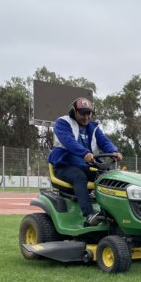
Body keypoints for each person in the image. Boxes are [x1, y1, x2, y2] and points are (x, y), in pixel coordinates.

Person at [47, 97, 122, 226]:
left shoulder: (93, 127)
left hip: (87, 166)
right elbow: (68, 141)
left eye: (89, 113)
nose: (86, 117)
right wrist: (85, 153)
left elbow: (104, 141)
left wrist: (114, 151)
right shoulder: (62, 123)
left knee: (109, 177)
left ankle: (110, 214)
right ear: (73, 112)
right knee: (79, 176)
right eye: (82, 113)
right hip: (64, 166)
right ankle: (89, 215)